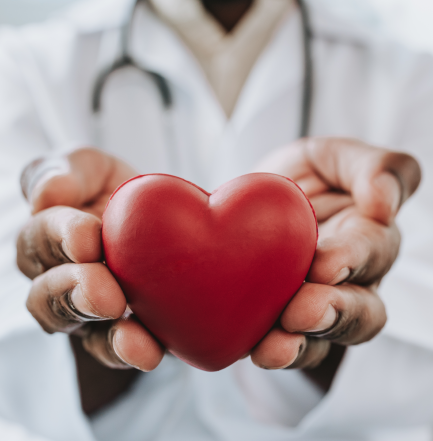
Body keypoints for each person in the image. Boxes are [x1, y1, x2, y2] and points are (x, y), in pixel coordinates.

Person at [0, 0, 432, 440]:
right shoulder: (20, 67)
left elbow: (422, 385)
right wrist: (81, 316)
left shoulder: (415, 75)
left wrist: (332, 321)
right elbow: (10, 370)